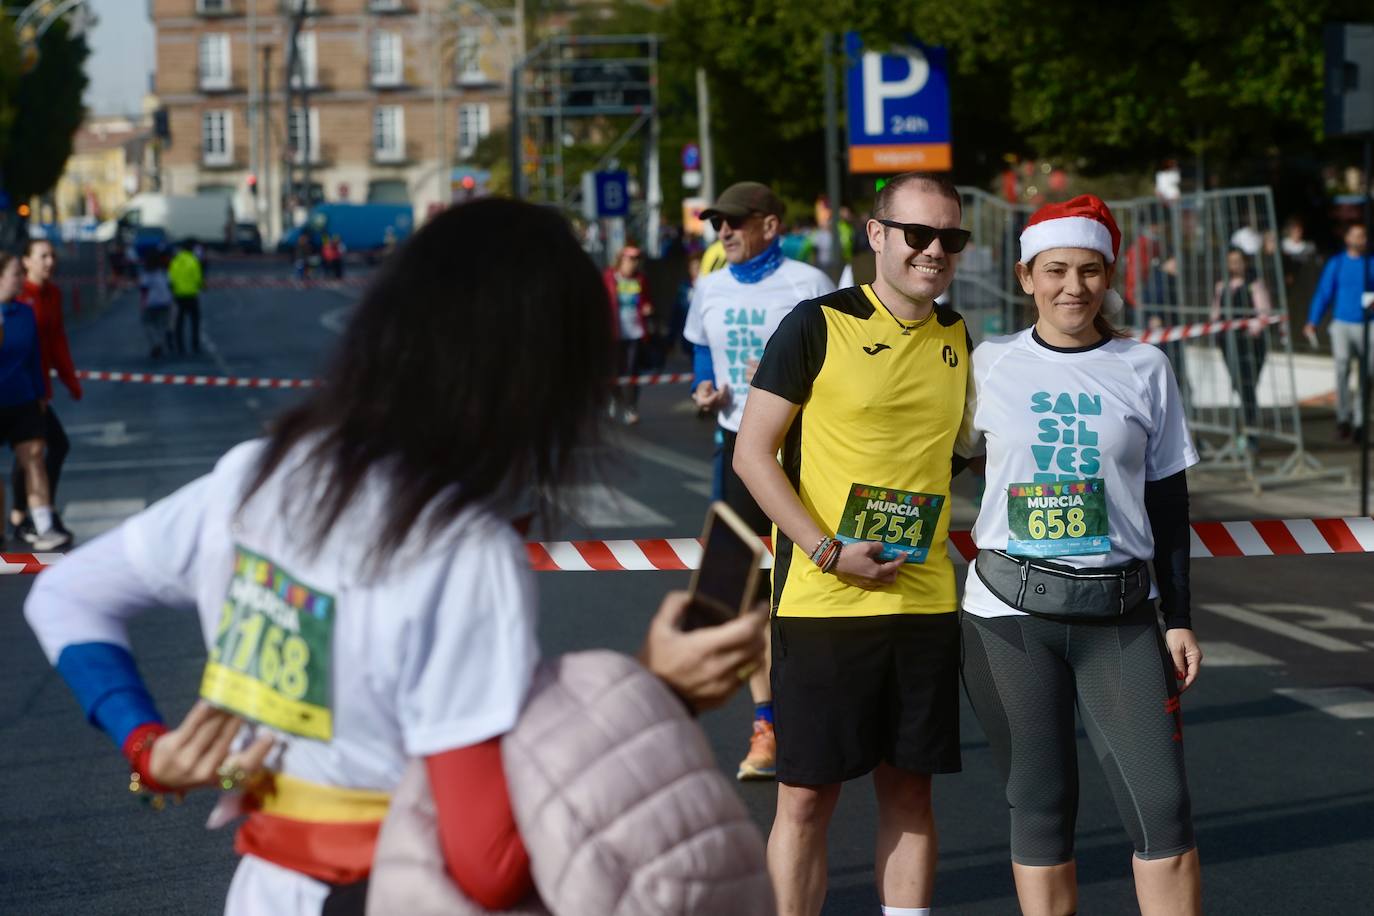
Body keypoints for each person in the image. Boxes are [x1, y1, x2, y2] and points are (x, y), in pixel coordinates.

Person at [23, 198, 768, 916]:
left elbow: (63, 595)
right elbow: (488, 867)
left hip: (263, 885)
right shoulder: (462, 550)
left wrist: (147, 748)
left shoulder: (253, 476)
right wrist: (655, 694)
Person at [734, 171, 974, 916]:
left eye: (950, 238)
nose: (933, 251)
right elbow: (752, 455)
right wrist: (827, 550)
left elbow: (962, 452)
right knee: (806, 800)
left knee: (910, 792)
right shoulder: (817, 322)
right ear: (877, 235)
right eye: (917, 234)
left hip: (925, 598)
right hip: (824, 600)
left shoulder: (961, 338)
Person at [956, 194, 1203, 916]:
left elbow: (1169, 505)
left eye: (1090, 271)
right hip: (1007, 618)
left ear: (1109, 276)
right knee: (1040, 805)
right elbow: (936, 463)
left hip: (1120, 615)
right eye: (1056, 270)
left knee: (1164, 811)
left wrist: (1180, 616)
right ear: (1026, 275)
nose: (1073, 287)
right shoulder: (989, 364)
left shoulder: (1144, 366)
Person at [685, 180, 835, 782]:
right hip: (735, 454)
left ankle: (815, 709)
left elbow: (838, 370)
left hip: (802, 458)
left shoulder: (810, 285)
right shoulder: (710, 285)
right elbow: (702, 352)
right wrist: (706, 390)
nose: (723, 232)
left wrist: (791, 375)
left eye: (735, 222)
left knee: (807, 587)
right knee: (747, 597)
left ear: (770, 225)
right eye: (717, 223)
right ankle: (767, 723)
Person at [0, 252, 71, 551]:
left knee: (34, 458)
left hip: (23, 398)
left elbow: (34, 358)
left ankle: (43, 526)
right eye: (16, 274)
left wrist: (41, 393)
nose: (20, 280)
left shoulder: (25, 312)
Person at [13, 238, 81, 546]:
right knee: (35, 450)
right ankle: (28, 514)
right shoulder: (17, 296)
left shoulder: (52, 294)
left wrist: (70, 379)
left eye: (52, 256)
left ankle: (31, 514)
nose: (49, 262)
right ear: (26, 261)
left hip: (37, 388)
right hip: (18, 387)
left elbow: (56, 341)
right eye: (42, 256)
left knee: (36, 450)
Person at [1304, 222, 1374, 440]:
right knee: (1342, 367)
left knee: (1367, 373)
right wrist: (1313, 320)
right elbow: (1324, 292)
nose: (1359, 239)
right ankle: (1343, 417)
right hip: (1342, 323)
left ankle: (1361, 420)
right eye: (1355, 235)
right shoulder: (1337, 263)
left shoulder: (1370, 263)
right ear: (1347, 239)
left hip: (1368, 324)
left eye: (1362, 236)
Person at [1211, 247, 1273, 447]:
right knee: (1240, 386)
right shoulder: (1222, 286)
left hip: (1250, 343)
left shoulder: (1254, 284)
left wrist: (1251, 329)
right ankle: (1246, 430)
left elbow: (1264, 313)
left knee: (1247, 386)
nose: (1235, 265)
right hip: (1229, 343)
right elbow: (1215, 313)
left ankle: (1250, 432)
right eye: (1231, 261)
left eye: (1238, 260)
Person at [603, 243, 654, 425]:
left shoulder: (640, 279)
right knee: (613, 372)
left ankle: (631, 407)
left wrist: (648, 309)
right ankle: (616, 399)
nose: (634, 263)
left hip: (635, 332)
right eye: (630, 258)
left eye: (637, 259)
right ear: (621, 259)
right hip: (614, 333)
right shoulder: (609, 278)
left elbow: (646, 300)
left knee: (632, 371)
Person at [169, 241, 205, 355]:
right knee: (195, 321)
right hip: (191, 295)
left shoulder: (175, 261)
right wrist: (200, 286)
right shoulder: (193, 261)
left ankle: (180, 346)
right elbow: (198, 278)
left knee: (179, 322)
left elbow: (171, 278)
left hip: (179, 296)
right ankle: (195, 344)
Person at [138, 250, 175, 358]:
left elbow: (144, 289)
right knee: (162, 325)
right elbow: (170, 285)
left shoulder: (146, 273)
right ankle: (160, 343)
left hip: (151, 301)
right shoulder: (164, 271)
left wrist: (142, 303)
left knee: (147, 323)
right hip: (165, 300)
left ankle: (155, 343)